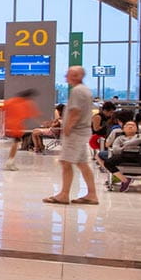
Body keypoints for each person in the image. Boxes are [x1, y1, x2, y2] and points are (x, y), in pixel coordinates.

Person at [43, 65, 97, 205]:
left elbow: (75, 112)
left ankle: (64, 194)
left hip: (75, 133)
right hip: (82, 131)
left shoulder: (78, 91)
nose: (66, 76)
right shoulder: (85, 90)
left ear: (76, 76)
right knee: (82, 163)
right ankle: (92, 194)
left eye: (68, 74)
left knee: (66, 162)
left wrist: (66, 128)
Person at [102, 121, 141, 193]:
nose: (130, 127)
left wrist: (124, 145)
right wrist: (125, 148)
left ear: (137, 129)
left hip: (140, 154)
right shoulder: (119, 138)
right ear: (123, 129)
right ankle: (125, 180)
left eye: (133, 125)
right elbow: (115, 150)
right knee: (108, 162)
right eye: (128, 125)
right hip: (124, 155)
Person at [1, 88, 37, 170]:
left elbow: (2, 108)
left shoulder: (12, 101)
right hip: (16, 127)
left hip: (10, 125)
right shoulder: (25, 103)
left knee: (16, 143)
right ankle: (10, 162)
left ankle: (10, 161)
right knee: (16, 143)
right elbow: (33, 114)